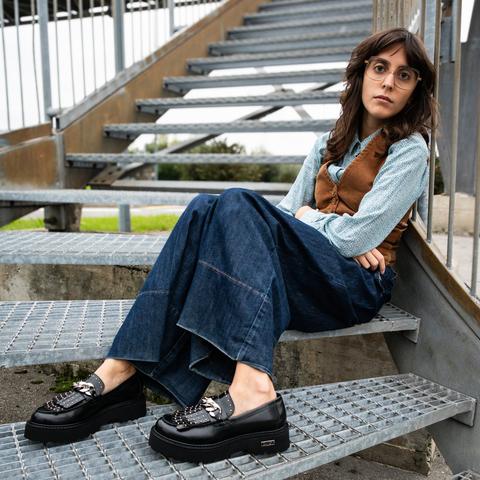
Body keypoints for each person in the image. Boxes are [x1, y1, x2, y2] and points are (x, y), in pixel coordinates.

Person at [24, 27, 437, 463]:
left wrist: (307, 218)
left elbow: (353, 237)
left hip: (357, 285)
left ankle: (254, 391)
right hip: (313, 273)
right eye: (380, 68)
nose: (389, 82)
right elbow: (287, 216)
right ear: (362, 74)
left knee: (239, 202)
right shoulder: (328, 143)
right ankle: (121, 370)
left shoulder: (409, 151)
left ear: (415, 88)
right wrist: (319, 225)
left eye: (404, 75)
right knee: (205, 208)